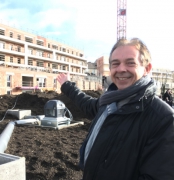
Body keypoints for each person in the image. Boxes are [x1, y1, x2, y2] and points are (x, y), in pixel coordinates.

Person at [57, 38, 174, 180]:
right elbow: (86, 104)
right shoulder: (108, 102)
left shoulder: (163, 119)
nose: (121, 69)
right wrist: (67, 85)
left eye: (130, 63)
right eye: (115, 63)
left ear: (146, 69)